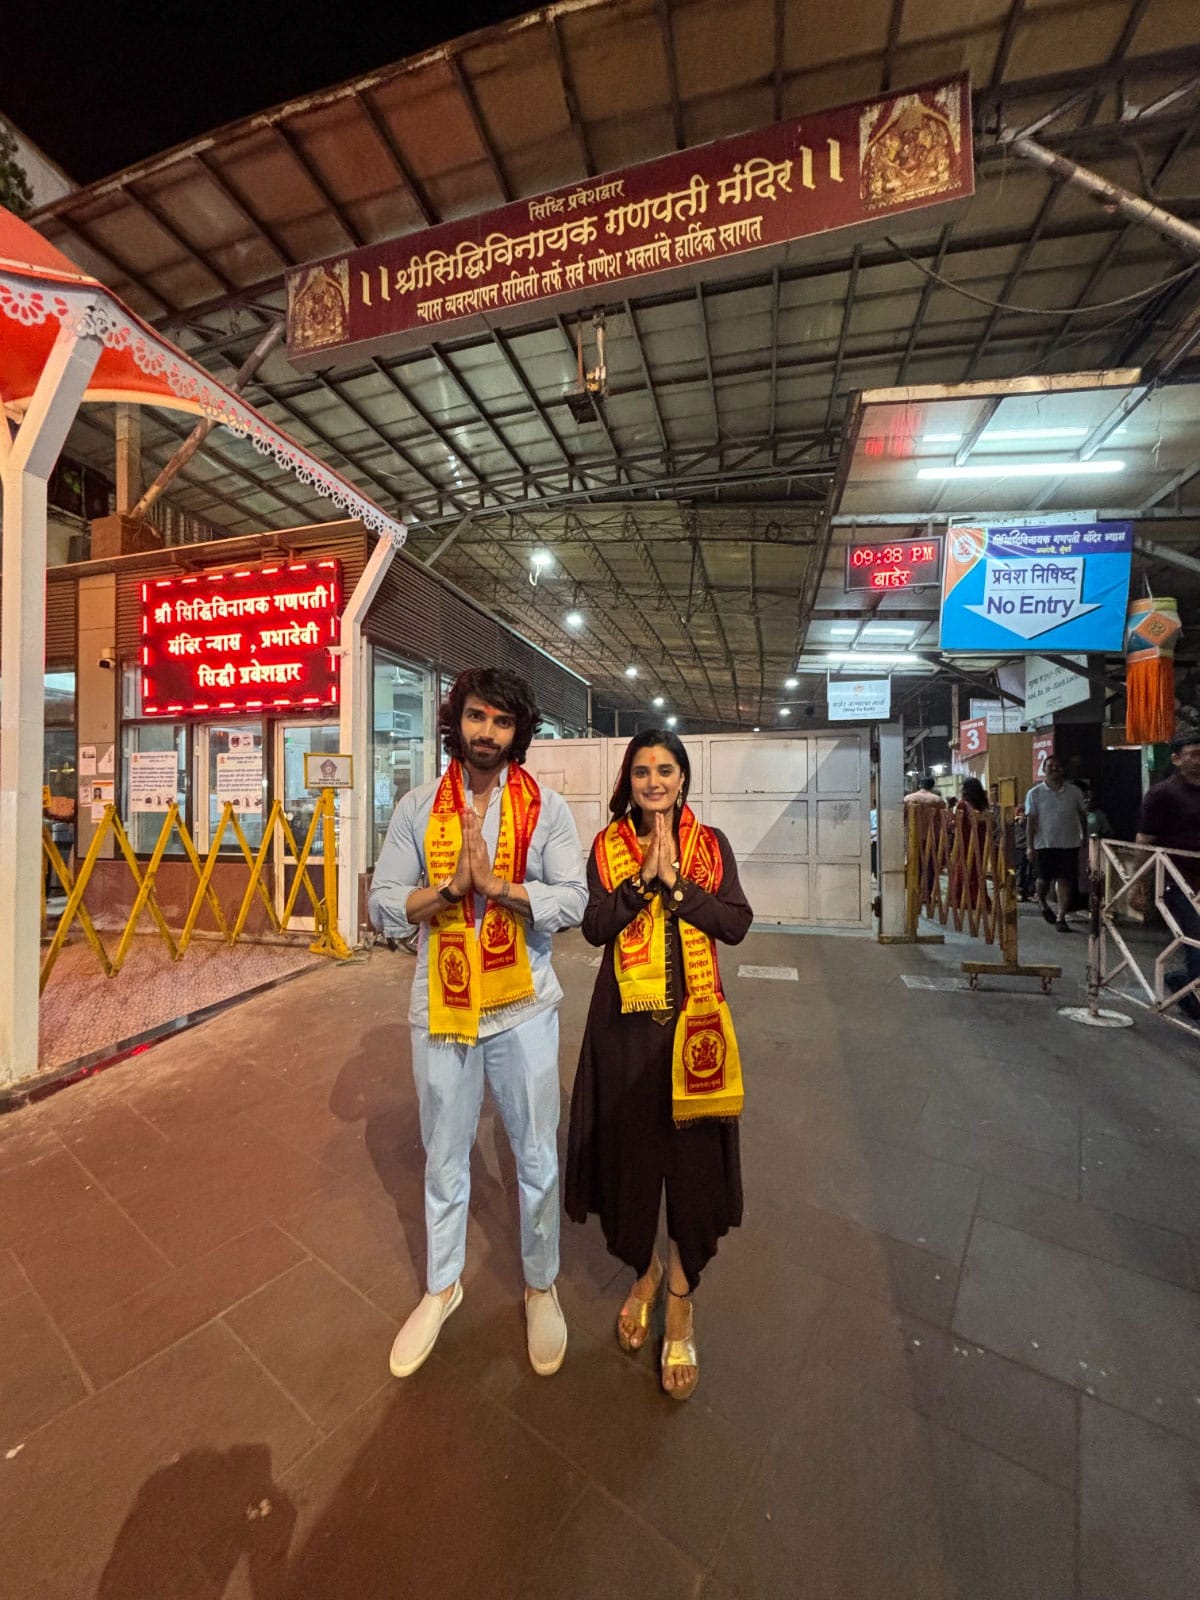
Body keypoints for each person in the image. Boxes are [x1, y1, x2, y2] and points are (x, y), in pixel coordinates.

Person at [368, 668, 586, 1379]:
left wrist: (499, 889)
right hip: (442, 1003)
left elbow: (573, 899)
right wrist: (450, 892)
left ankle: (540, 1281)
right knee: (445, 1154)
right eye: (475, 717)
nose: (486, 733)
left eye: (501, 722)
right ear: (455, 721)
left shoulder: (546, 807)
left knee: (534, 1156)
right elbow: (382, 905)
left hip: (523, 1006)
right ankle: (442, 1286)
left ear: (519, 732)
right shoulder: (416, 806)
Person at [565, 731, 752, 1402]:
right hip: (623, 1025)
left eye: (664, 769)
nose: (652, 780)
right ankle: (641, 1273)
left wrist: (676, 887)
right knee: (630, 1159)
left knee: (693, 1168)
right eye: (641, 770)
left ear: (682, 778)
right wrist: (641, 883)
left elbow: (735, 924)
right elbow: (593, 927)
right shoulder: (608, 845)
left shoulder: (712, 845)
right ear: (630, 778)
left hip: (695, 1023)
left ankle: (679, 1294)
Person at [1135, 734, 1200, 1020]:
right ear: (1176, 759)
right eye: (1194, 754)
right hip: (1178, 880)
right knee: (1196, 937)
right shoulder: (1162, 794)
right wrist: (1139, 884)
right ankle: (1193, 997)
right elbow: (1145, 840)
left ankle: (1182, 982)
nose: (1199, 759)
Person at [1024, 757, 1086, 932]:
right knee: (1043, 879)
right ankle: (1042, 903)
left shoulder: (1074, 792)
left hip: (1069, 844)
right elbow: (1031, 821)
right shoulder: (1034, 793)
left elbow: (1082, 816)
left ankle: (1061, 916)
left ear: (1063, 770)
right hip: (1044, 844)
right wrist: (1030, 846)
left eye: (1058, 766)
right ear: (1044, 770)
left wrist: (1085, 838)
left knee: (1064, 879)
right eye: (1050, 766)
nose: (1054, 769)